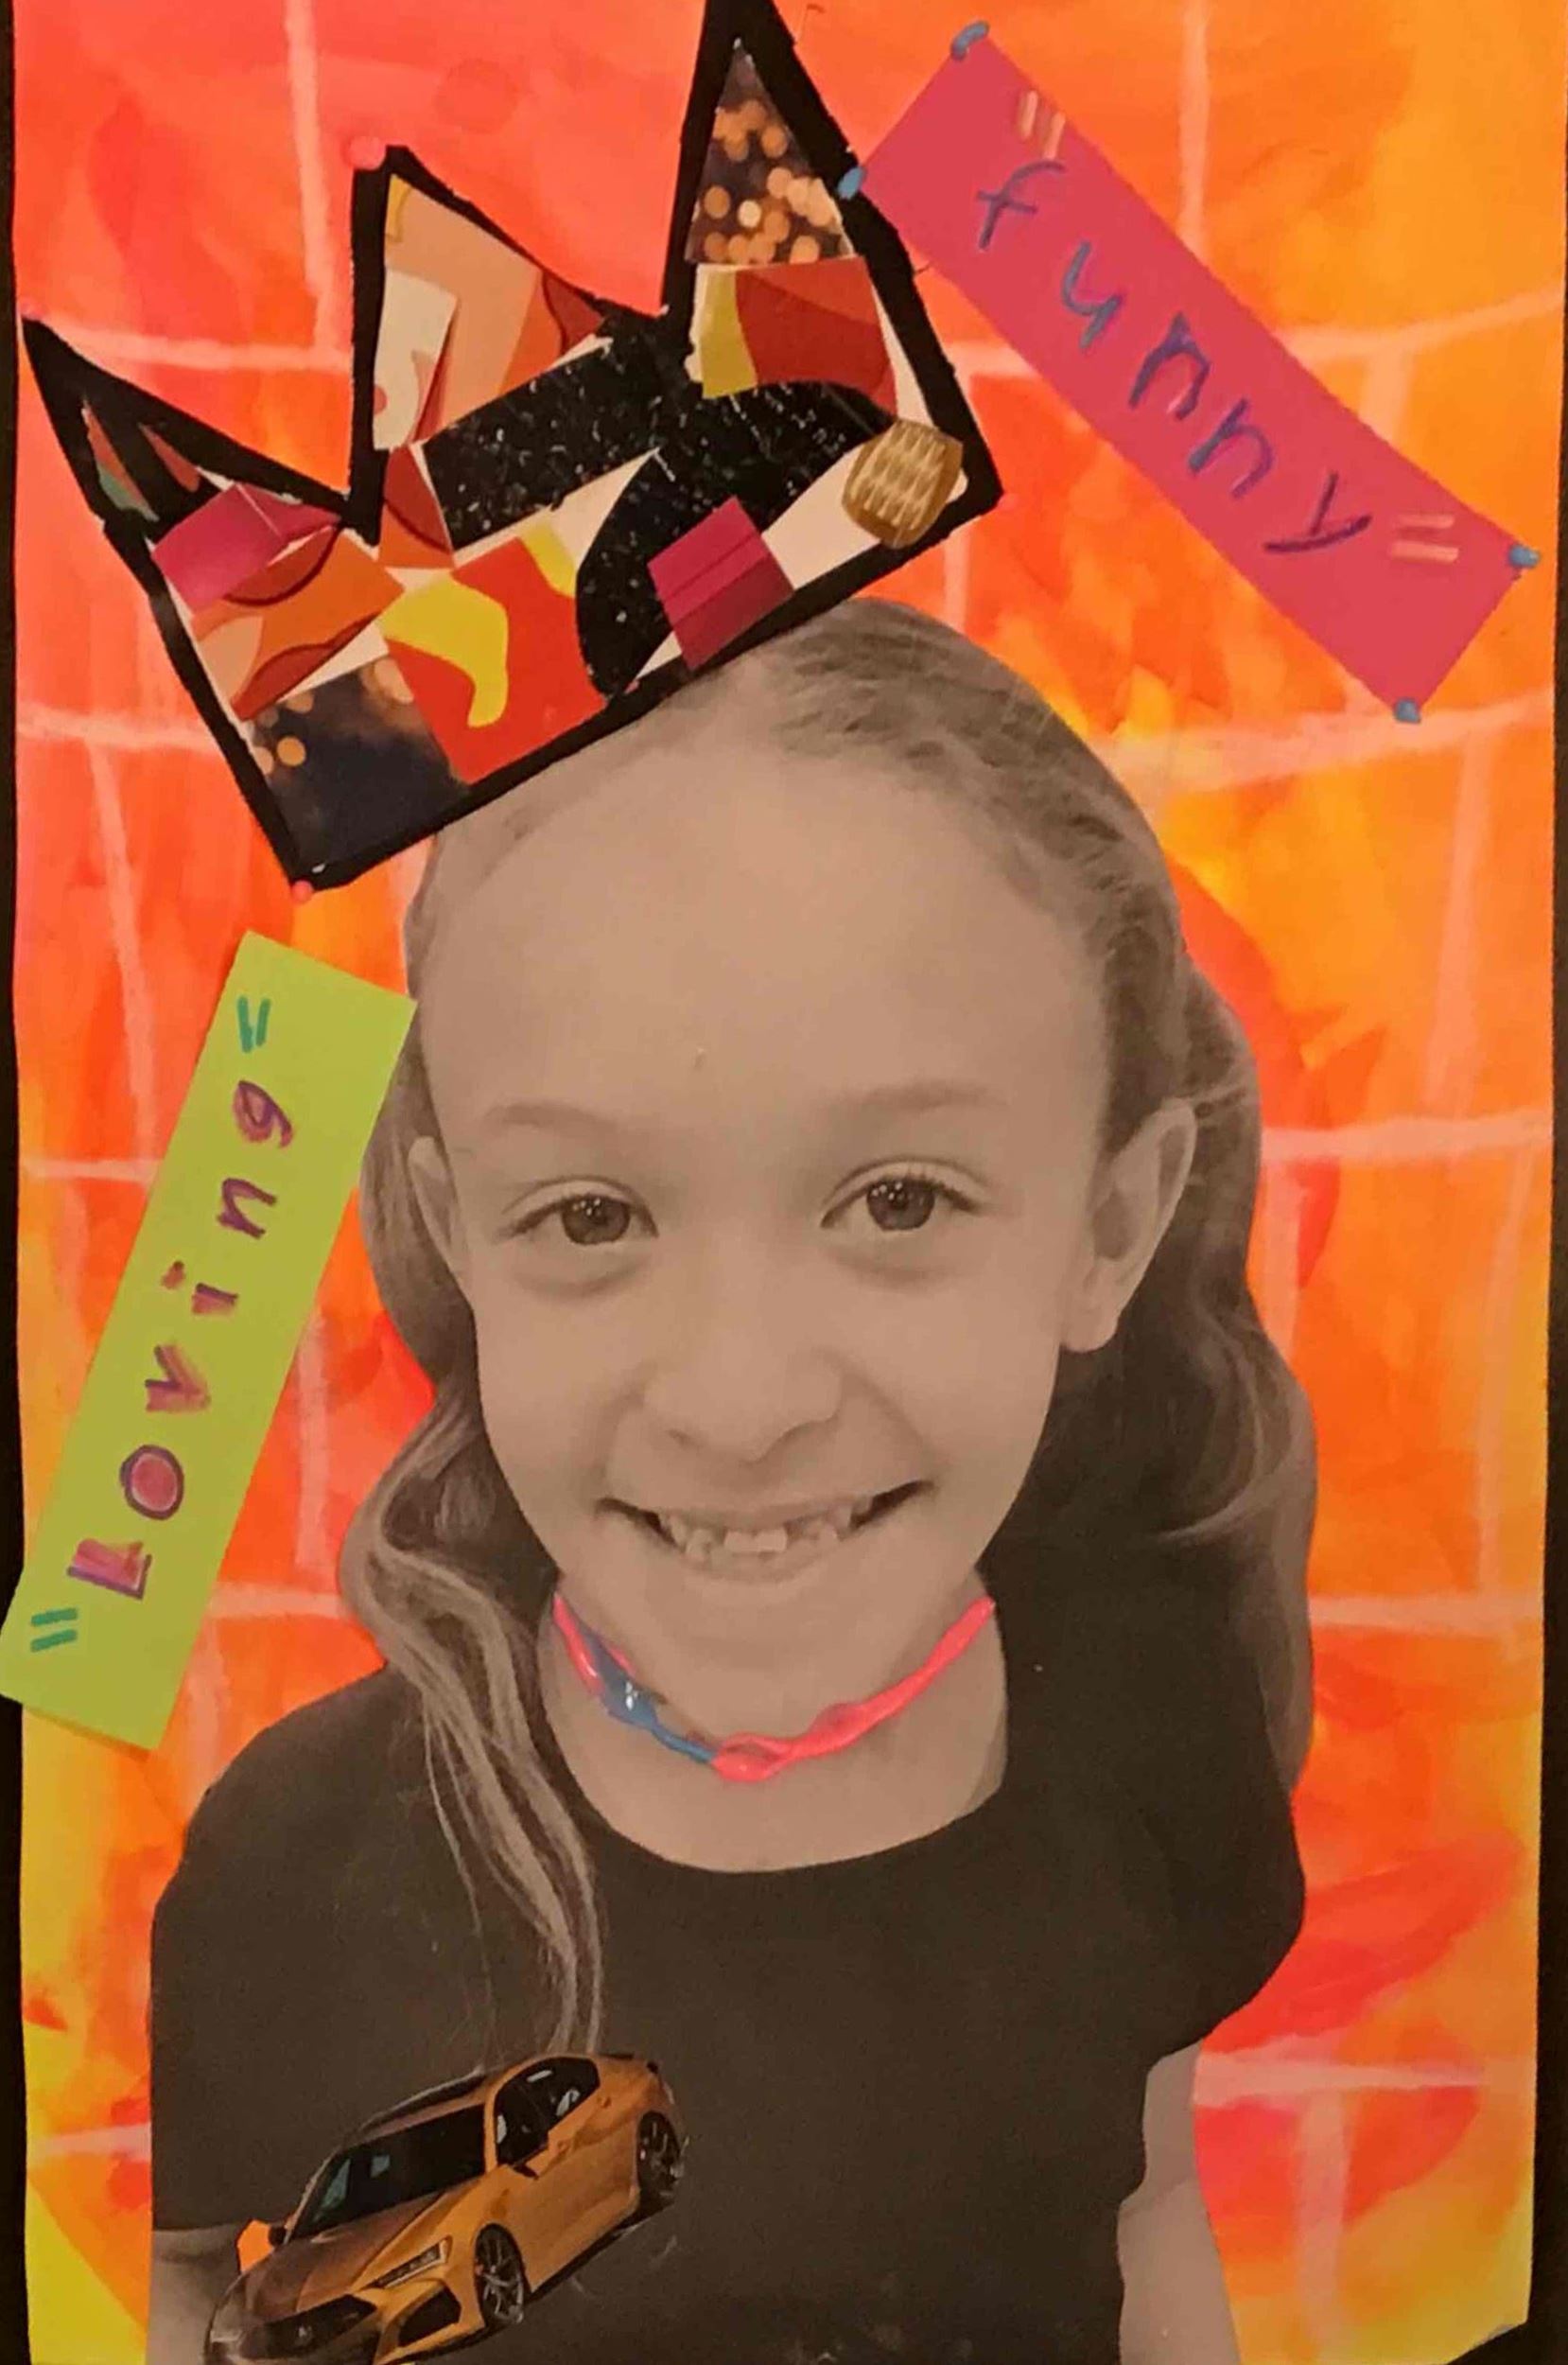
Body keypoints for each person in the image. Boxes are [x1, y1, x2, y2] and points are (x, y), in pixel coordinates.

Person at [148, 600, 1313, 2365]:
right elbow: (182, 2281)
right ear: (461, 1240)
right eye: (589, 1215)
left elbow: (1140, 2203)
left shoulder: (1152, 1749)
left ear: (1110, 1225)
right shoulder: (296, 1864)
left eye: (899, 1200)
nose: (740, 1402)